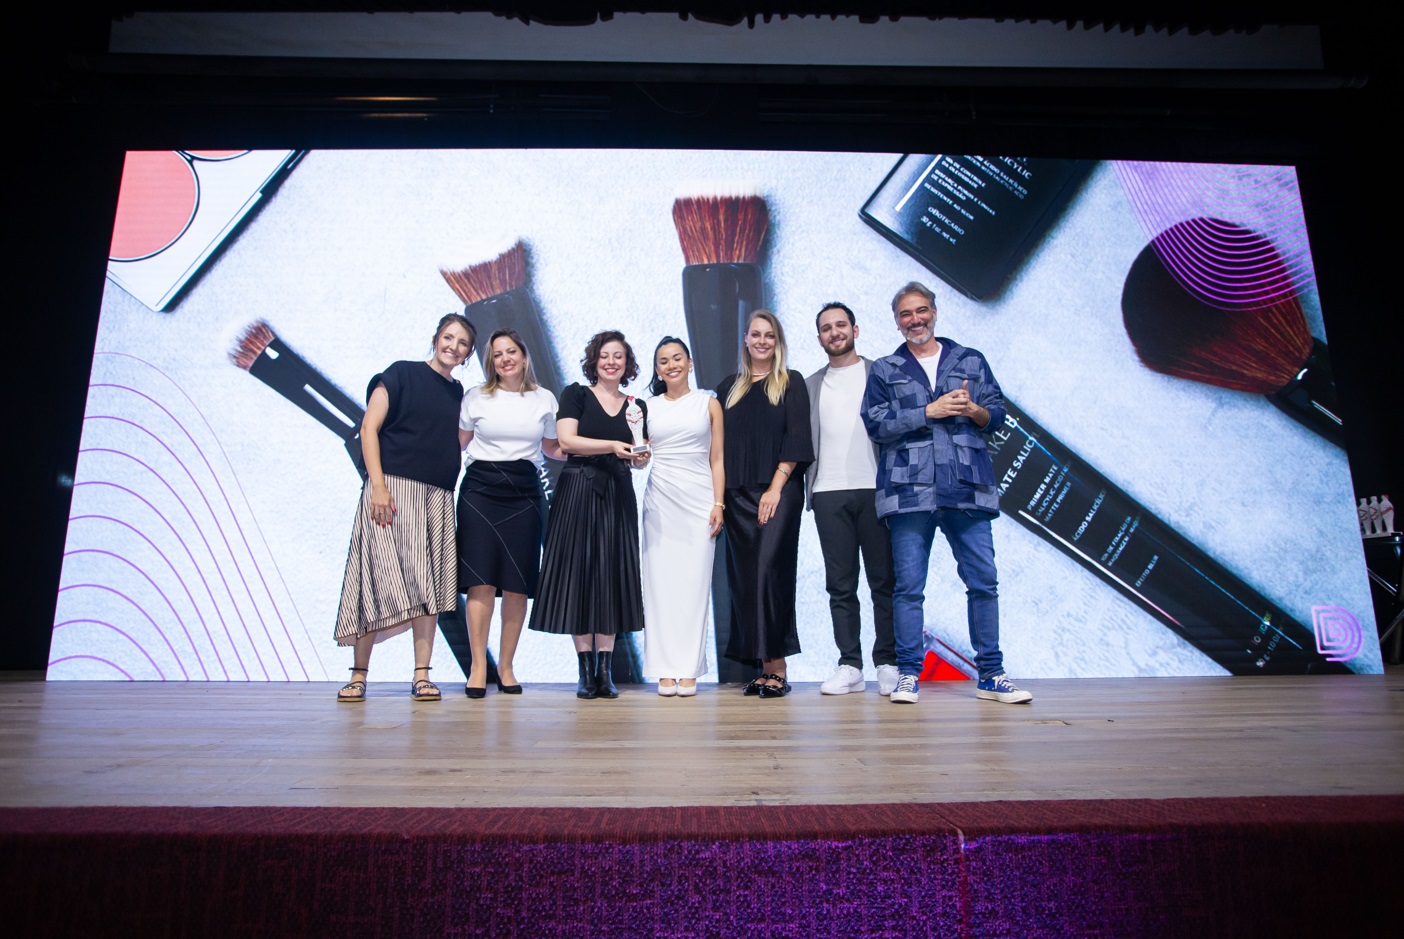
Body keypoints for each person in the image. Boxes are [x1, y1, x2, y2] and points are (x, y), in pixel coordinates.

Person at [861, 282, 1032, 705]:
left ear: (934, 312)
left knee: (984, 582)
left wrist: (973, 411)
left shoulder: (970, 359)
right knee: (908, 588)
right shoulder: (885, 369)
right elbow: (875, 424)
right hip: (908, 493)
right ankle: (908, 674)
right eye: (905, 314)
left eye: (921, 311)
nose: (915, 320)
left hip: (967, 488)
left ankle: (991, 674)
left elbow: (997, 417)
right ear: (896, 321)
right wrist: (928, 412)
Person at [334, 313, 474, 702]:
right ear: (435, 339)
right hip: (392, 491)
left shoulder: (459, 394)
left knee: (427, 586)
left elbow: (460, 439)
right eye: (448, 337)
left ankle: (422, 675)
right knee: (373, 578)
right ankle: (358, 675)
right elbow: (368, 429)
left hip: (438, 496)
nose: (453, 346)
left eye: (462, 343)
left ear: (468, 353)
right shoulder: (400, 374)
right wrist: (377, 485)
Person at [528, 330, 650, 699]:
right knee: (579, 576)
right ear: (594, 361)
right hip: (578, 488)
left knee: (612, 575)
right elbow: (566, 441)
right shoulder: (575, 394)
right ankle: (584, 672)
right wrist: (612, 445)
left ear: (627, 364)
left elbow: (639, 452)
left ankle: (605, 671)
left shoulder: (635, 405)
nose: (612, 362)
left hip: (618, 489)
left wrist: (640, 456)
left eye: (619, 356)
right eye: (605, 355)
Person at [456, 329, 565, 698]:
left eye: (511, 351)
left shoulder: (544, 399)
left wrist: (598, 448)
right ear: (491, 362)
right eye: (498, 353)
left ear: (523, 355)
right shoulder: (475, 397)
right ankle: (477, 666)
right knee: (481, 580)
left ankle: (506, 666)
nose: (505, 358)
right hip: (480, 491)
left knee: (517, 584)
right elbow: (456, 443)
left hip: (525, 493)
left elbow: (552, 447)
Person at [716, 311, 813, 698]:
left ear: (778, 341)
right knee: (744, 581)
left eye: (769, 335)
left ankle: (778, 668)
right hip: (737, 498)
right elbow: (718, 450)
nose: (762, 341)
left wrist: (775, 488)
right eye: (755, 335)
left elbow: (797, 437)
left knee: (769, 572)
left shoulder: (791, 382)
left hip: (778, 492)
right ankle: (762, 668)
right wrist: (719, 500)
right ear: (745, 339)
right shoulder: (728, 387)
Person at [805, 302, 898, 696]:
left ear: (855, 330)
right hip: (827, 492)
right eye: (826, 328)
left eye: (841, 325)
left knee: (884, 581)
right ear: (820, 337)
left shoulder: (883, 372)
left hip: (876, 488)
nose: (834, 332)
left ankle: (889, 662)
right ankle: (850, 665)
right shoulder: (809, 384)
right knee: (840, 584)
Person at [641, 337, 725, 697]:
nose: (671, 365)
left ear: (690, 362)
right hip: (659, 500)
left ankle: (688, 668)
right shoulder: (646, 406)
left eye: (677, 358)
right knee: (659, 587)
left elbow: (717, 459)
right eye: (663, 361)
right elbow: (641, 452)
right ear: (657, 369)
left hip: (699, 502)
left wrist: (718, 503)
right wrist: (638, 457)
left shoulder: (709, 404)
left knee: (693, 586)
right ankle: (663, 669)